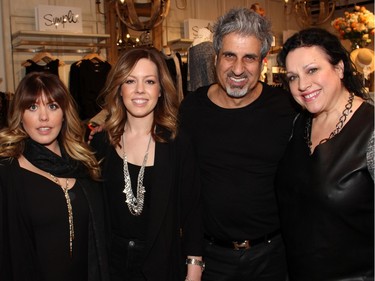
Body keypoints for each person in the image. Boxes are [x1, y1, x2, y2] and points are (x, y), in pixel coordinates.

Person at [178, 8, 299, 281]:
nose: (238, 69)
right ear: (215, 57)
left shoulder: (286, 108)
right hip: (210, 260)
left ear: (263, 61)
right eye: (229, 55)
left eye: (249, 58)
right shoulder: (192, 109)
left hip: (273, 258)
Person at [90, 47, 203, 281]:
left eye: (149, 81)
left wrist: (194, 270)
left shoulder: (178, 143)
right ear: (119, 89)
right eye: (130, 81)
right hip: (111, 266)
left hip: (162, 264)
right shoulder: (101, 142)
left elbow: (193, 211)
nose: (140, 90)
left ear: (161, 90)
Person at [276, 27, 374, 281]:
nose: (302, 85)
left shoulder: (371, 129)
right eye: (292, 77)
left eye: (312, 70)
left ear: (339, 68)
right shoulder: (299, 124)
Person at [0, 72, 109, 281]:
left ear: (64, 113)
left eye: (52, 106)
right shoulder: (8, 175)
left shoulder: (85, 166)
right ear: (20, 115)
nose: (44, 117)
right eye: (33, 107)